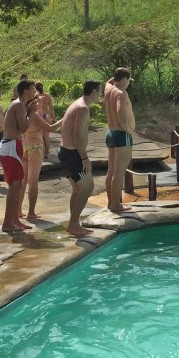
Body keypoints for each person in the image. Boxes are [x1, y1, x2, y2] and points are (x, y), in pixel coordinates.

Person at [57, 81, 102, 237]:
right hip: (73, 155)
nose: (101, 94)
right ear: (94, 91)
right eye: (100, 91)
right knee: (87, 187)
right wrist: (85, 158)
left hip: (65, 152)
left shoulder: (78, 103)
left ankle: (73, 223)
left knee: (78, 188)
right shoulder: (82, 108)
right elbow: (77, 136)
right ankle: (74, 224)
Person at [0, 79, 36, 233]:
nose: (35, 92)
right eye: (33, 89)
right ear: (26, 90)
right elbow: (24, 128)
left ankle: (14, 220)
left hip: (11, 145)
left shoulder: (19, 105)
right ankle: (8, 223)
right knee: (15, 186)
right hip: (11, 145)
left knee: (17, 184)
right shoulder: (19, 104)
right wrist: (32, 113)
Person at [20, 95, 63, 220]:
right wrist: (64, 119)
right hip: (35, 148)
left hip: (25, 147)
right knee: (33, 181)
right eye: (36, 103)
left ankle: (18, 210)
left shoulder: (23, 114)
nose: (39, 104)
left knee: (23, 181)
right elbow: (50, 128)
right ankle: (31, 212)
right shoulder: (34, 116)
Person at [104, 68, 135, 213]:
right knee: (119, 172)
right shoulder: (121, 93)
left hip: (110, 133)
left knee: (111, 171)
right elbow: (120, 112)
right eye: (128, 80)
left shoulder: (108, 88)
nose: (129, 83)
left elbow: (108, 81)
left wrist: (118, 74)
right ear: (123, 79)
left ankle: (111, 202)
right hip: (121, 135)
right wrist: (128, 130)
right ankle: (116, 204)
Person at [34, 81, 55, 160]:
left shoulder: (35, 96)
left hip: (40, 115)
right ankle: (47, 154)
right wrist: (53, 118)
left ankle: (41, 153)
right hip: (47, 115)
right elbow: (51, 108)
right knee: (46, 136)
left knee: (39, 135)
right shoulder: (47, 95)